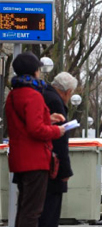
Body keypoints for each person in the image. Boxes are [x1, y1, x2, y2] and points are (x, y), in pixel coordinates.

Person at [5, 51, 66, 227]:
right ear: (35, 71)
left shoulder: (13, 95)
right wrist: (57, 131)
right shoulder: (33, 95)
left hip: (19, 159)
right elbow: (36, 130)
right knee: (33, 211)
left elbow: (22, 124)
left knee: (24, 208)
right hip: (35, 161)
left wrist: (49, 118)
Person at [38, 72, 78, 227]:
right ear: (68, 92)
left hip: (40, 162)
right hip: (51, 165)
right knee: (50, 212)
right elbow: (60, 141)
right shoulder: (55, 101)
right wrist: (65, 170)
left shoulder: (43, 94)